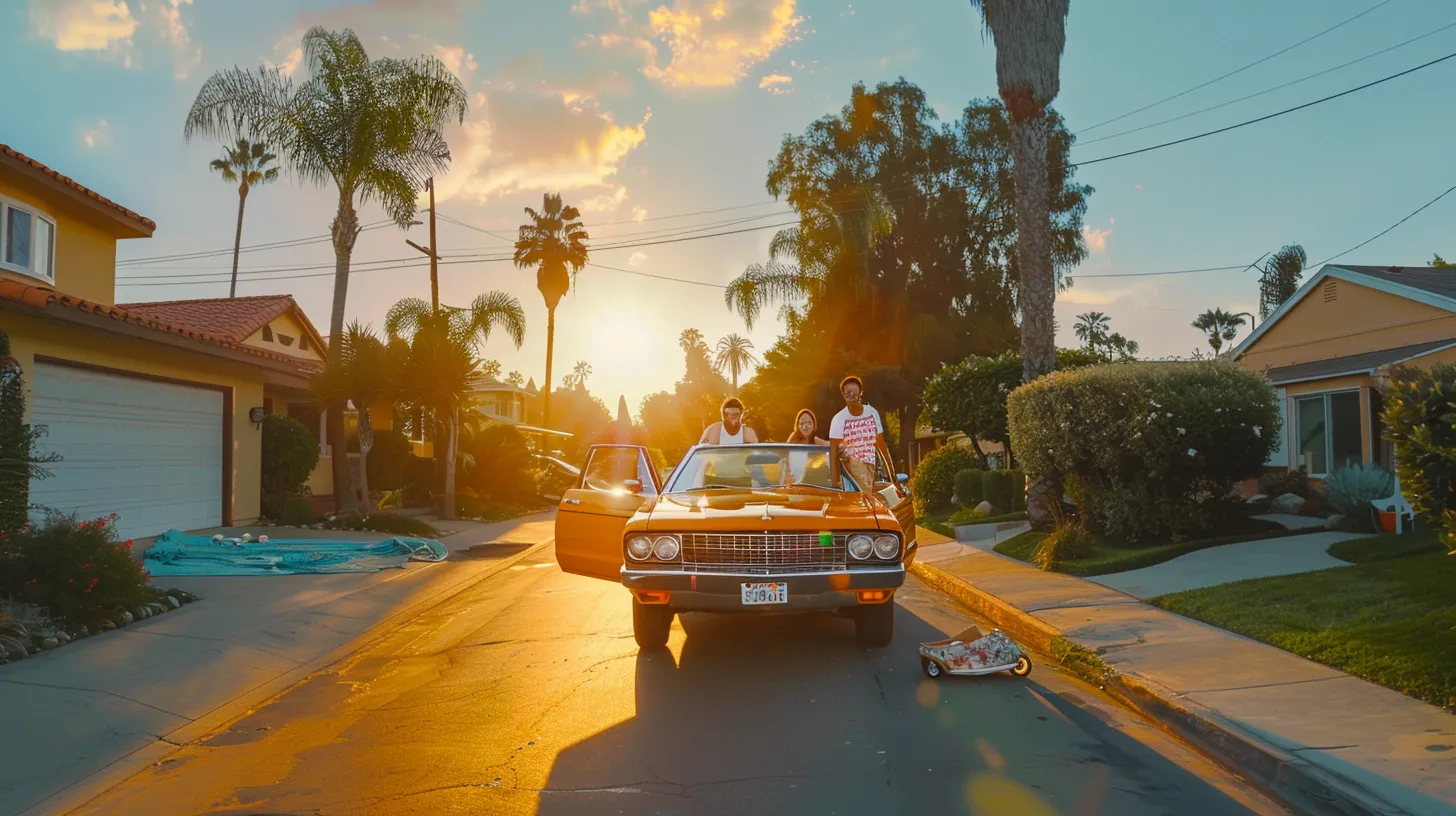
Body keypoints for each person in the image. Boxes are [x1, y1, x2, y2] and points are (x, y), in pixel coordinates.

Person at [829, 376, 895, 494]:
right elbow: (833, 453)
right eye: (847, 393)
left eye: (854, 392)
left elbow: (881, 446)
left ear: (861, 393)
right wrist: (835, 485)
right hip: (850, 471)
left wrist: (892, 475)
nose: (851, 396)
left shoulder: (871, 413)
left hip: (870, 468)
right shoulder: (838, 419)